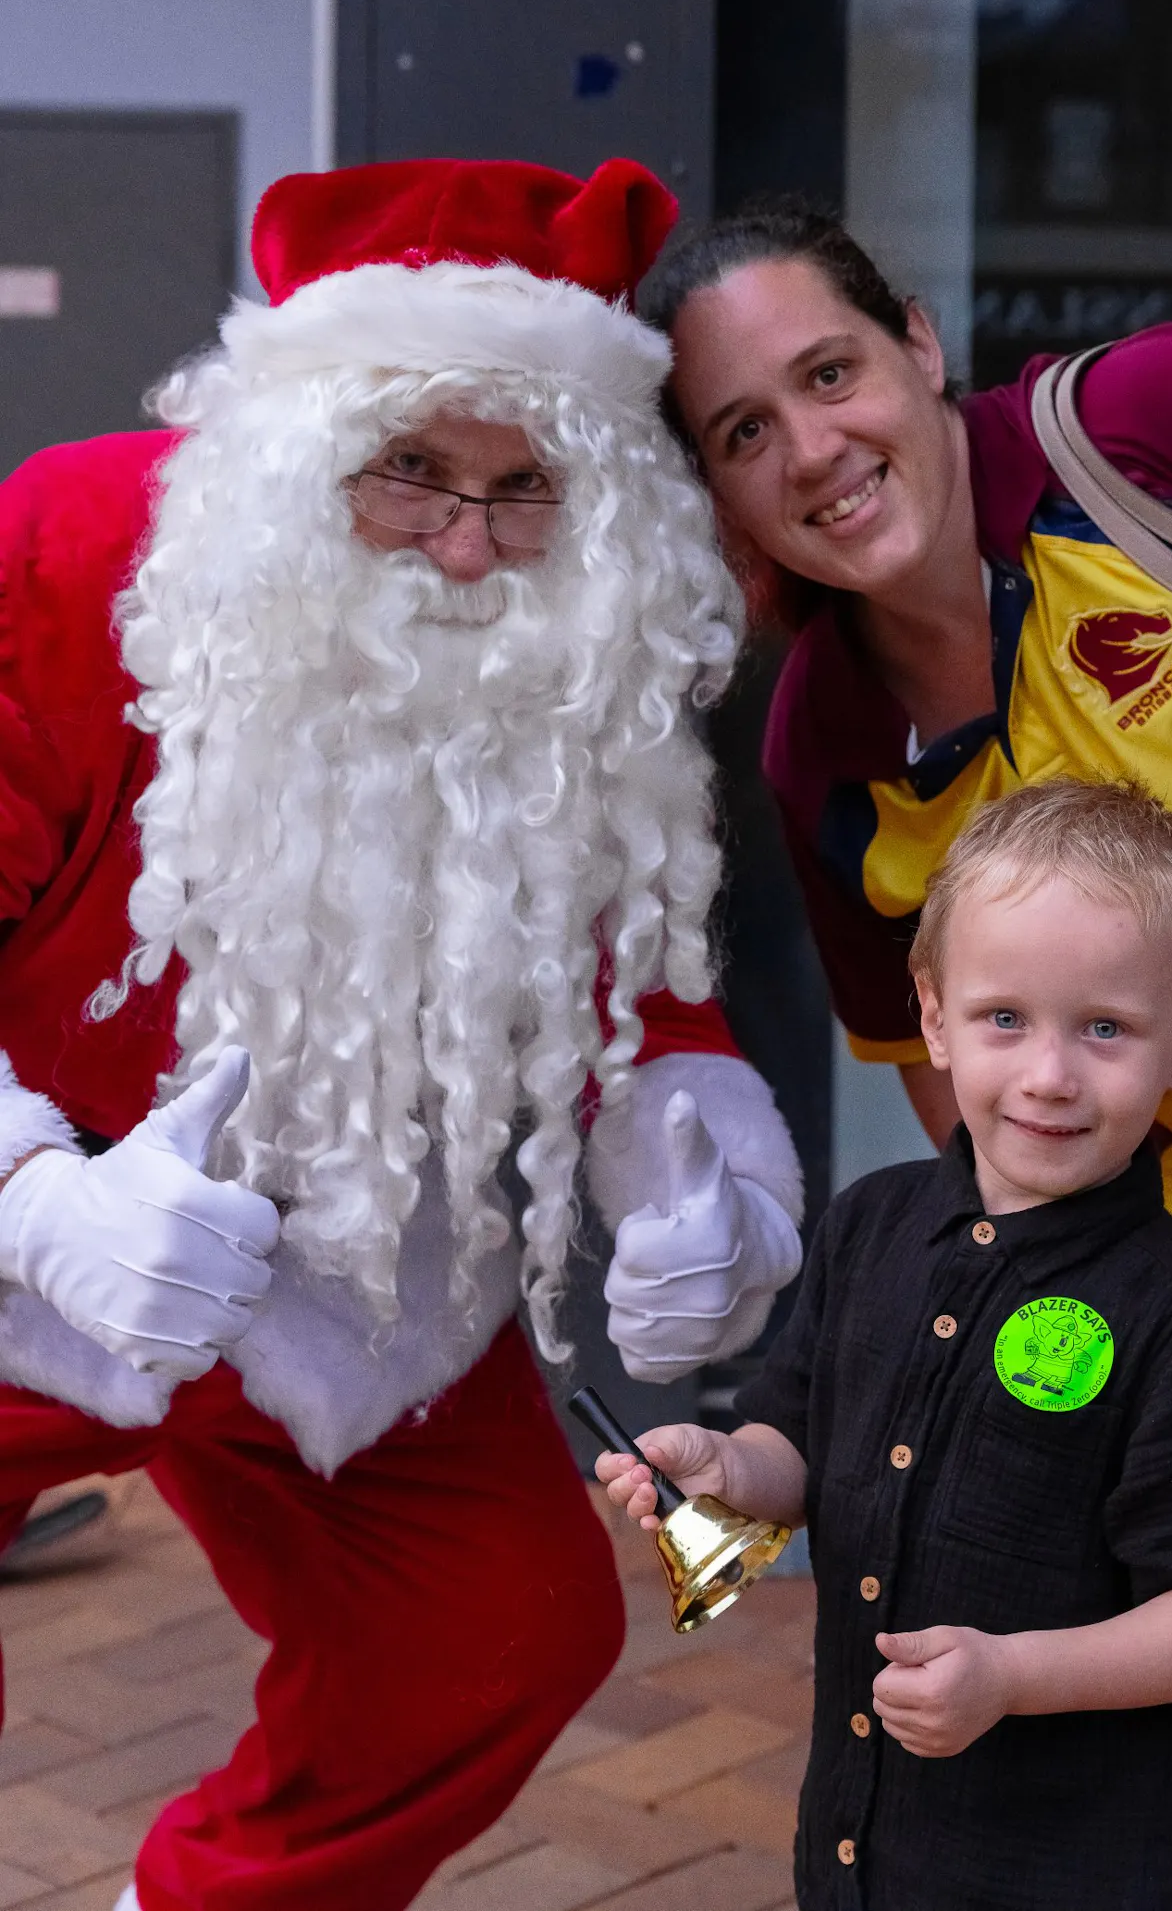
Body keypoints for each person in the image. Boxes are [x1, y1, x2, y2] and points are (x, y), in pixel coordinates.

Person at [642, 204, 1172, 1911]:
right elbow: (957, 1088)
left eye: (831, 372)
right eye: (744, 429)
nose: (812, 447)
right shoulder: (826, 748)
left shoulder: (1154, 432)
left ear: (919, 343)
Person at [0, 155, 808, 1911]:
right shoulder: (72, 547)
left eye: (525, 489)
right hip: (36, 1214)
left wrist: (693, 1155)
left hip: (343, 1249)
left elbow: (620, 952)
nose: (467, 542)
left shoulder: (560, 629)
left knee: (496, 1623)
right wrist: (40, 1203)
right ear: (303, 451)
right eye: (413, 471)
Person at [599, 779, 1172, 1911]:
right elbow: (798, 1446)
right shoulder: (870, 1226)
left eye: (1105, 1027)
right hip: (863, 1853)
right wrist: (730, 1467)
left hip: (1057, 1876)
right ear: (932, 1016)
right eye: (1003, 1017)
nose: (1049, 1074)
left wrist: (1013, 1673)